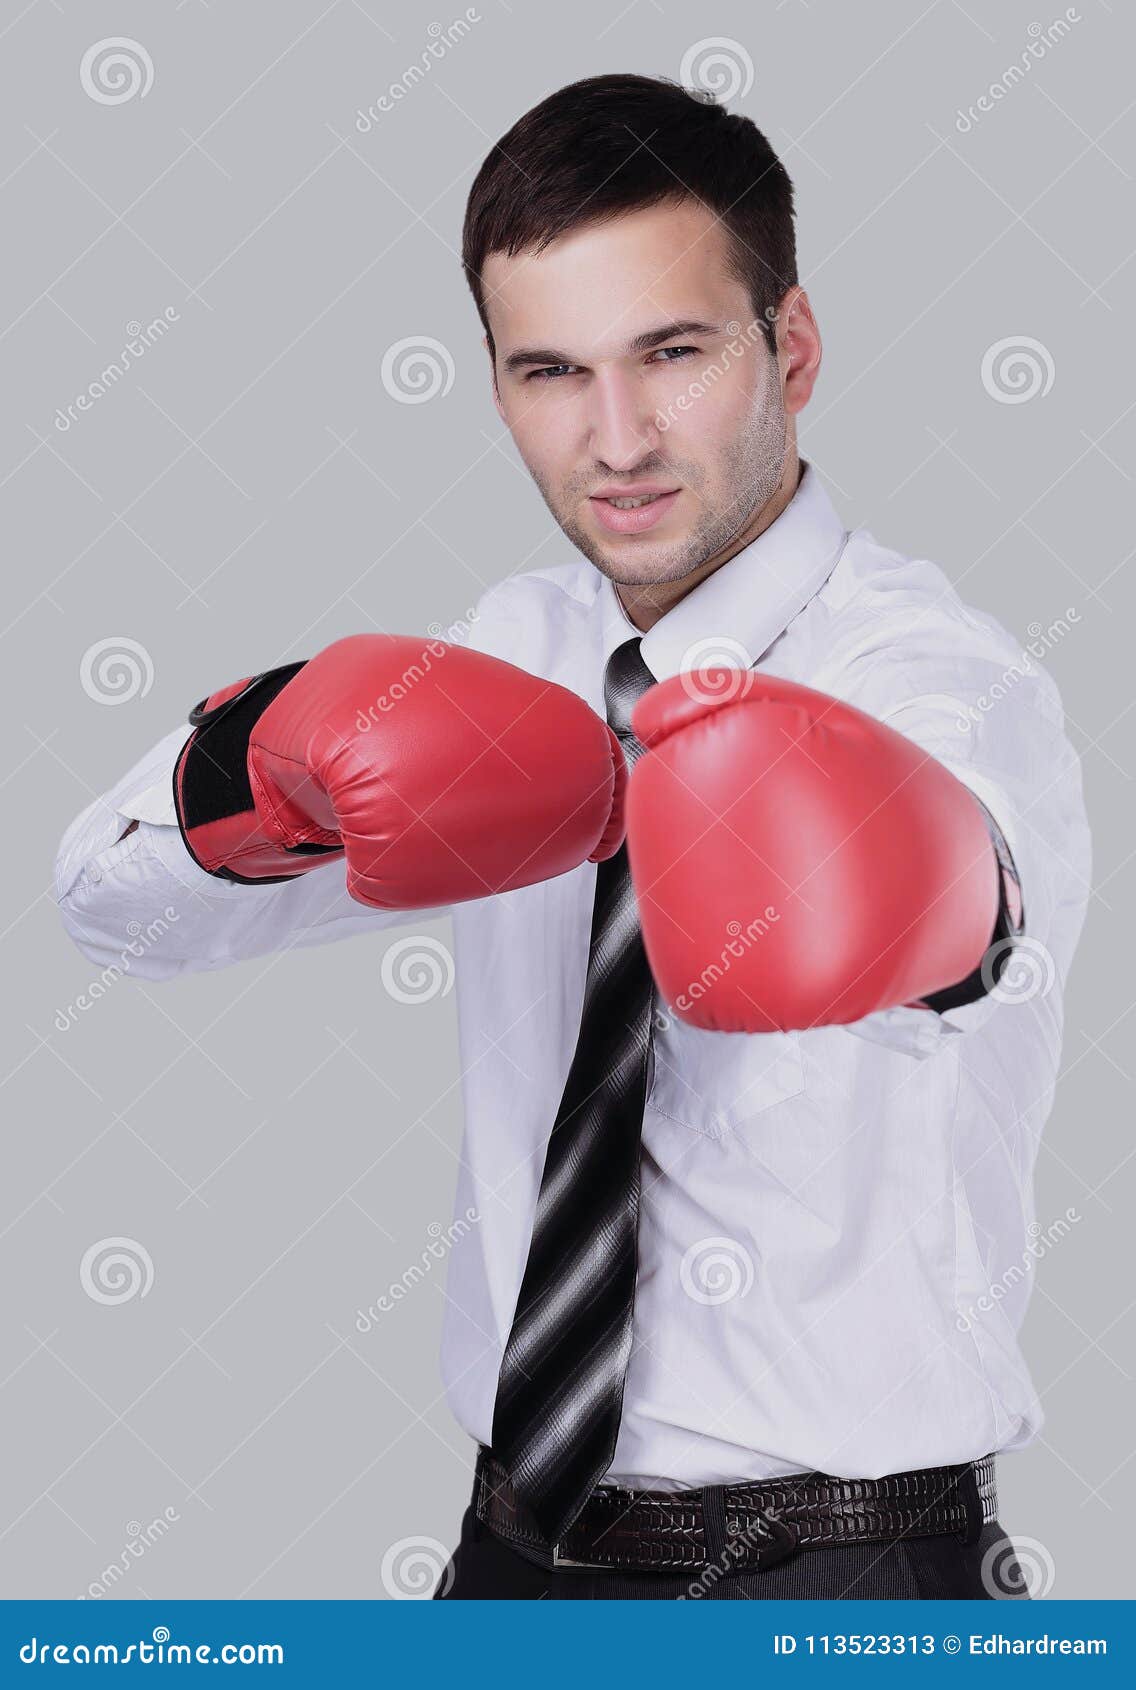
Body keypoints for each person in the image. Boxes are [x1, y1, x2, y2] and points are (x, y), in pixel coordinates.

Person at [55, 74, 1090, 1600]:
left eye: (672, 353)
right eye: (551, 371)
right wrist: (256, 759)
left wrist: (904, 877)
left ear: (789, 346)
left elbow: (985, 904)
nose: (615, 438)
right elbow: (109, 908)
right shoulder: (506, 656)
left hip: (841, 1567)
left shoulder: (934, 674)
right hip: (508, 1549)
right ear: (494, 386)